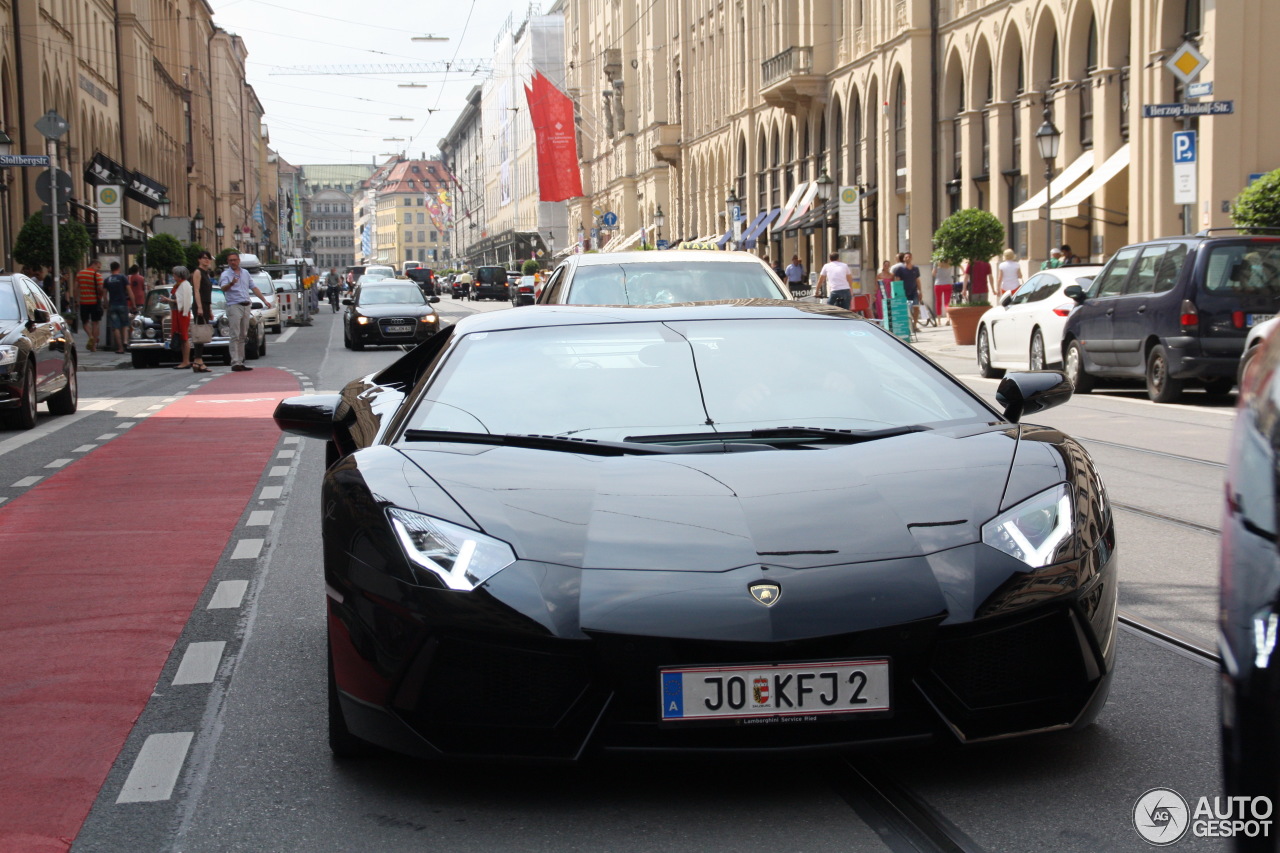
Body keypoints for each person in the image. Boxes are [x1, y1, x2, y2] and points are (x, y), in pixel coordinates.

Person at [218, 251, 271, 372]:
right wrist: (231, 283)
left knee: (243, 335)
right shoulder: (225, 274)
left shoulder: (245, 273)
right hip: (234, 305)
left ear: (238, 261)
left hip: (246, 305)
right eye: (230, 260)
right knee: (235, 335)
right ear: (228, 262)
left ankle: (241, 361)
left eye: (235, 260)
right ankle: (235, 362)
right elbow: (223, 288)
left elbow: (254, 287)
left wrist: (264, 300)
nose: (233, 262)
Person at [161, 265, 194, 369]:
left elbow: (184, 301)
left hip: (182, 313)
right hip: (176, 312)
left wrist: (168, 300)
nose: (173, 275)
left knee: (184, 337)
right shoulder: (179, 285)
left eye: (174, 274)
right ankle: (184, 360)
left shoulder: (185, 284)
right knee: (180, 336)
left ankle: (186, 361)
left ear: (179, 275)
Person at [101, 261, 134, 354]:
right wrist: (133, 303)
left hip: (113, 305)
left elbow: (104, 294)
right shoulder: (123, 278)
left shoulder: (107, 280)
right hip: (123, 304)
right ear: (118, 268)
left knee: (115, 327)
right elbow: (129, 291)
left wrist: (106, 304)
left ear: (111, 269)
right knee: (125, 325)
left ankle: (120, 348)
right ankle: (125, 342)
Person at [190, 252, 214, 373]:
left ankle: (198, 361)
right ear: (199, 259)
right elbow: (196, 291)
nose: (206, 260)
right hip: (199, 305)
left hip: (205, 304)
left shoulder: (207, 273)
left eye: (208, 258)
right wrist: (199, 307)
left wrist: (209, 309)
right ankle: (198, 361)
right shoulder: (198, 272)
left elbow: (207, 292)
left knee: (203, 333)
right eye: (204, 258)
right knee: (199, 333)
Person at [74, 259, 104, 352]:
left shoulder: (80, 274)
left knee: (85, 322)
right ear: (94, 264)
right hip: (95, 302)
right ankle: (94, 346)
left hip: (83, 302)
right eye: (98, 267)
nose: (98, 269)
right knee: (95, 323)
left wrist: (76, 301)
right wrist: (101, 295)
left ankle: (90, 336)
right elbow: (100, 288)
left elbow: (75, 288)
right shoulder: (97, 275)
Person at [890, 252, 922, 332]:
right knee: (907, 310)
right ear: (904, 259)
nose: (907, 258)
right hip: (904, 292)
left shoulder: (915, 269)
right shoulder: (900, 269)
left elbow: (917, 280)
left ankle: (915, 325)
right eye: (906, 257)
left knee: (916, 308)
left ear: (911, 258)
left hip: (914, 291)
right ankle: (909, 325)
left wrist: (920, 291)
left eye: (909, 257)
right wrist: (898, 292)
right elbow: (897, 280)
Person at [933, 260, 956, 325]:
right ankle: (948, 319)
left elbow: (933, 273)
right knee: (947, 302)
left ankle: (939, 320)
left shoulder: (936, 262)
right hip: (948, 283)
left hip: (938, 284)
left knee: (938, 302)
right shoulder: (951, 262)